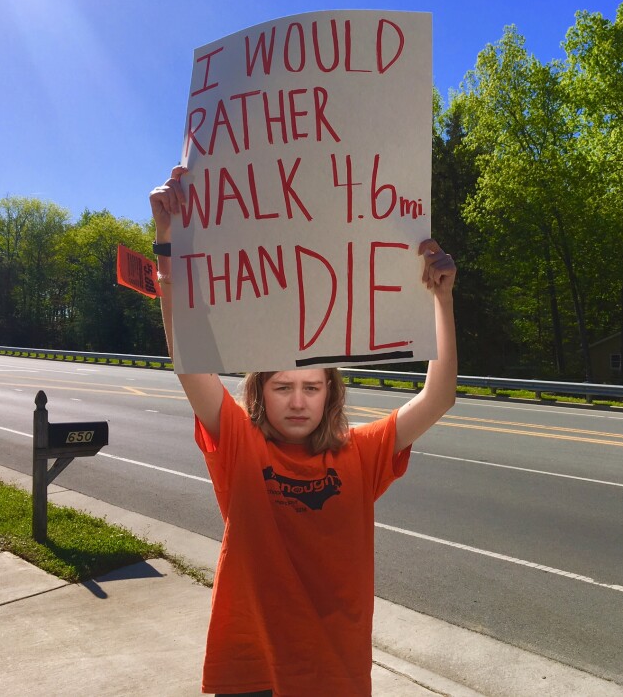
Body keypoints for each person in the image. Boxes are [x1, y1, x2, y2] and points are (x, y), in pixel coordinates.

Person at [149, 166, 457, 697]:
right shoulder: (238, 443)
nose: (297, 401)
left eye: (311, 388)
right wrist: (166, 242)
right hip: (249, 666)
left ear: (330, 393)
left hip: (333, 670)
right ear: (258, 393)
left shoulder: (360, 453)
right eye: (282, 387)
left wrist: (442, 298)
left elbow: (438, 398)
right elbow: (188, 360)